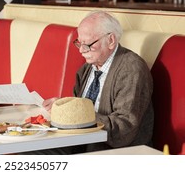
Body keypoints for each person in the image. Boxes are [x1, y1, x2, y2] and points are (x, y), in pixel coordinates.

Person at [41, 10, 154, 154]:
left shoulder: (131, 69)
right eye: (79, 43)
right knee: (27, 152)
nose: (81, 50)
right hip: (82, 143)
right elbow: (78, 112)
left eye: (87, 44)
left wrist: (76, 114)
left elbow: (124, 129)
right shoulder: (87, 69)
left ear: (111, 40)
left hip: (117, 152)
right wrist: (62, 109)